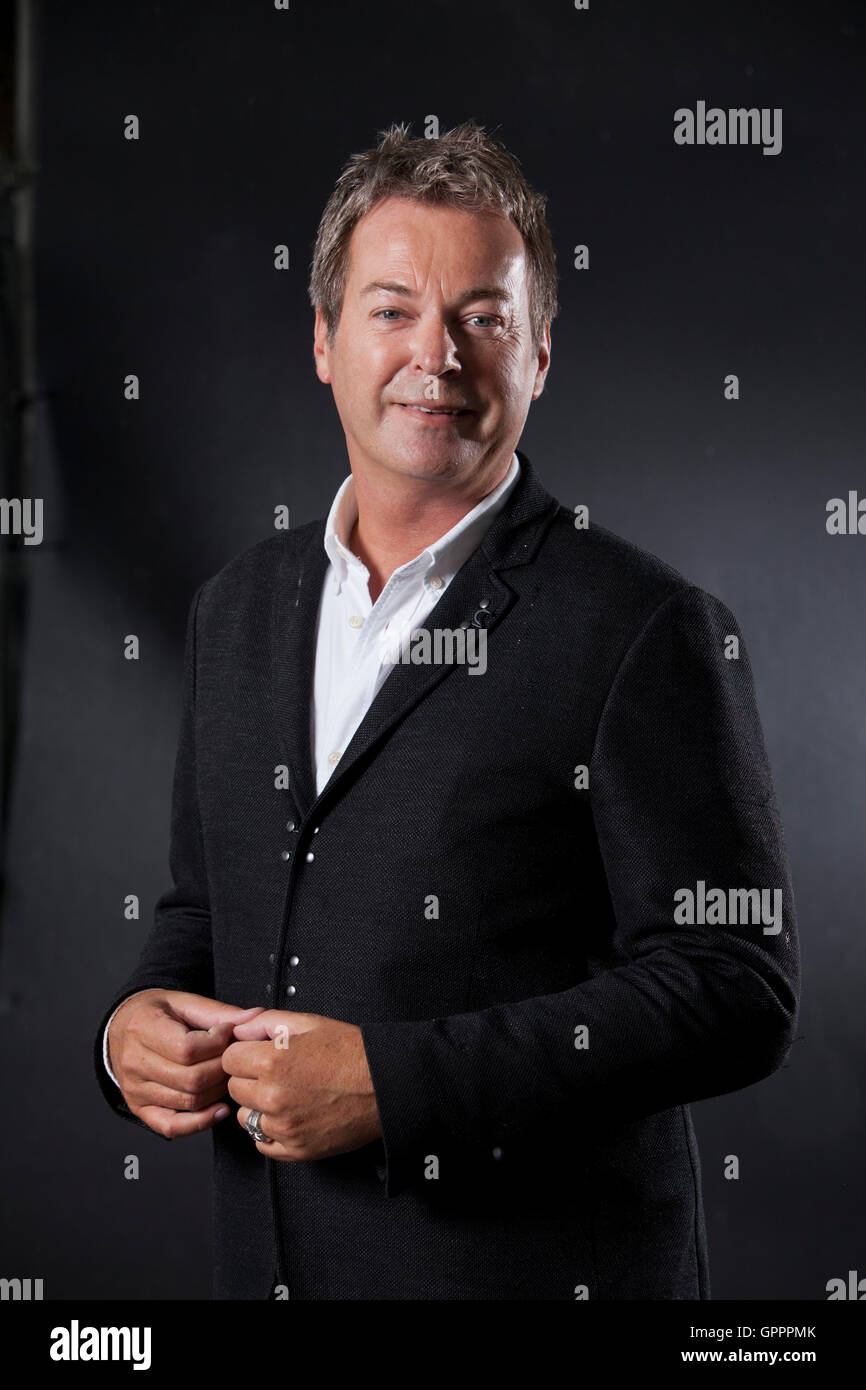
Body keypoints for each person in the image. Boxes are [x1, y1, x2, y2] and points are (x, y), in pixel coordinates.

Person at [94, 119, 800, 1300]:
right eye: (390, 310)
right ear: (322, 341)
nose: (436, 356)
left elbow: (734, 984)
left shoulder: (642, 625)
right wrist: (129, 1029)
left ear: (537, 354)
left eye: (481, 316)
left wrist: (396, 1085)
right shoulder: (236, 612)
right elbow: (204, 908)